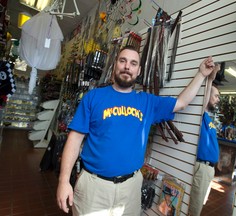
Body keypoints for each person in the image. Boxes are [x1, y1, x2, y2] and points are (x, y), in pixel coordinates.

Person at [56, 45, 216, 215]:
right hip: (94, 188)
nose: (127, 67)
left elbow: (181, 102)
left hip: (130, 189)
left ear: (138, 71)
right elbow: (74, 139)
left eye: (133, 63)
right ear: (115, 65)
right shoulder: (94, 97)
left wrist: (201, 75)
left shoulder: (147, 102)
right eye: (123, 61)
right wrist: (63, 181)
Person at [188, 64, 221, 216]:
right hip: (202, 167)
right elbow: (205, 95)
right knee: (194, 210)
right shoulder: (201, 114)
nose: (218, 99)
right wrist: (211, 78)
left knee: (199, 204)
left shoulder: (208, 117)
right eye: (216, 96)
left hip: (208, 169)